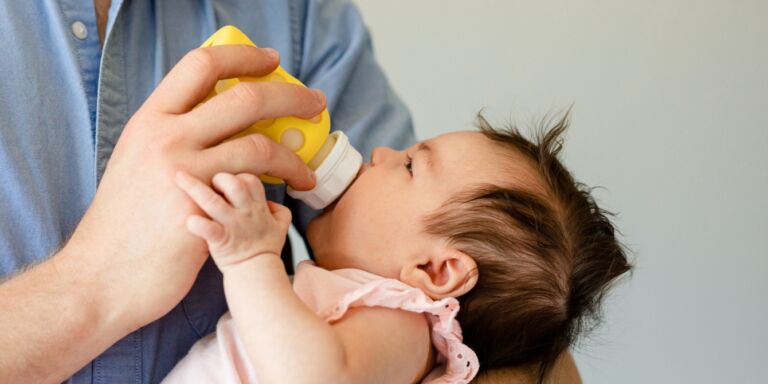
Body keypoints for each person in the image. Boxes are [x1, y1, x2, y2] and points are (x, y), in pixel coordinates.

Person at [162, 113, 631, 383]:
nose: (382, 153)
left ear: (435, 271)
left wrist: (251, 260)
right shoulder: (371, 307)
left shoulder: (400, 322)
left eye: (408, 165)